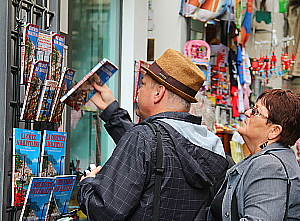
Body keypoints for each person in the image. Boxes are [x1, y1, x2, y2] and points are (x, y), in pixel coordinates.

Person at [77, 48, 229, 220]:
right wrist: (111, 109)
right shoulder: (205, 144)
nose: (138, 91)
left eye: (142, 84)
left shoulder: (143, 138)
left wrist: (87, 184)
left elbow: (105, 210)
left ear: (158, 93)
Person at [207, 89, 300, 220]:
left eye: (256, 112)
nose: (247, 113)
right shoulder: (265, 159)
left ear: (274, 131)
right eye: (252, 108)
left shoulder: (271, 166)